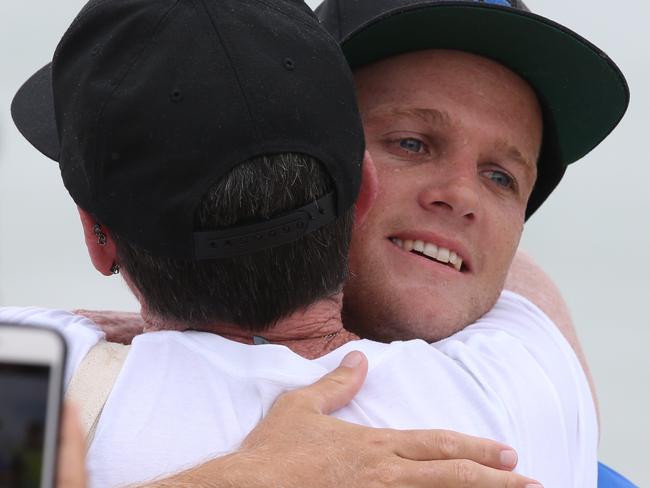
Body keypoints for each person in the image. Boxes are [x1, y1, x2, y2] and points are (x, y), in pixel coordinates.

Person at [5, 0, 627, 487]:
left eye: (502, 178)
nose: (459, 197)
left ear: (97, 236)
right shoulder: (521, 394)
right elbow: (537, 302)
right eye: (411, 143)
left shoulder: (40, 379)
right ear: (358, 183)